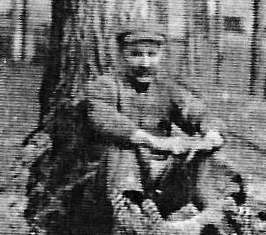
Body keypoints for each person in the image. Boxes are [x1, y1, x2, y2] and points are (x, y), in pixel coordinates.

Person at [81, 26, 228, 219]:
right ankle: (129, 218)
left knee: (200, 155)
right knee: (124, 149)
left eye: (152, 55)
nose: (145, 63)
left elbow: (198, 112)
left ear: (161, 56)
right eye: (136, 55)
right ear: (121, 56)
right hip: (110, 183)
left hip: (157, 183)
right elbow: (105, 119)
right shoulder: (104, 86)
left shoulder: (166, 88)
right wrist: (155, 142)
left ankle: (211, 215)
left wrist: (212, 133)